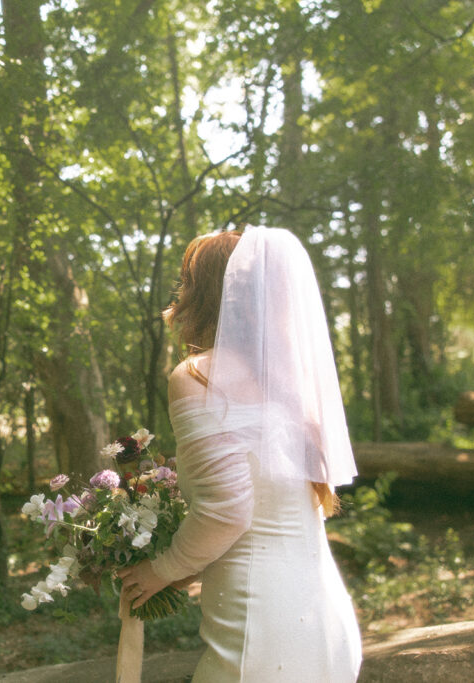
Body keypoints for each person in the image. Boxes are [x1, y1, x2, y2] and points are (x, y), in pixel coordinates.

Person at [118, 227, 362, 681]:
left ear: (209, 293)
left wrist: (161, 569)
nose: (181, 292)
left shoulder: (195, 376)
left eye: (188, 281)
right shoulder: (292, 385)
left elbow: (229, 509)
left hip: (260, 630)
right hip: (326, 624)